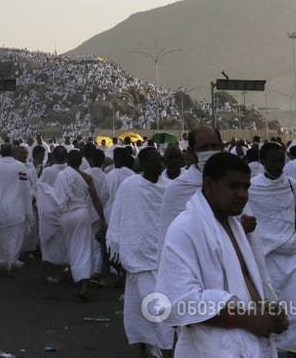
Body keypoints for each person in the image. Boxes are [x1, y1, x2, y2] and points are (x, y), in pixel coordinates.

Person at [157, 152, 287, 358]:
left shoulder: (235, 225)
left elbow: (246, 283)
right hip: (211, 349)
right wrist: (249, 319)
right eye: (234, 186)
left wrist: (269, 311)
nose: (243, 194)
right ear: (208, 184)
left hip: (252, 344)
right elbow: (177, 302)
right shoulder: (185, 227)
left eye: (246, 187)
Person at [245, 142, 296, 356]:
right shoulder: (252, 187)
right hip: (264, 260)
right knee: (270, 311)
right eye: (273, 160)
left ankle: (293, 351)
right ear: (262, 162)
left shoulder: (292, 185)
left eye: (281, 160)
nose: (278, 164)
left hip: (292, 258)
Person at [108, 147, 174, 356]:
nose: (159, 164)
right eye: (154, 161)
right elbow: (118, 216)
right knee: (142, 308)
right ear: (143, 163)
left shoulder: (169, 187)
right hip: (137, 257)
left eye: (160, 160)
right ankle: (146, 345)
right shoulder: (130, 186)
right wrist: (115, 246)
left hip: (163, 257)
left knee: (160, 310)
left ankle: (164, 346)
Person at [157, 125, 223, 254]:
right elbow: (168, 237)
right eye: (203, 148)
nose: (210, 152)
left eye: (214, 147)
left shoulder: (234, 183)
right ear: (192, 152)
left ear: (222, 147)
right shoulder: (177, 189)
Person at [53, 150, 106, 301]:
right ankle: (83, 286)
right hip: (81, 215)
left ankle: (75, 276)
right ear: (80, 162)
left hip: (65, 216)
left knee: (71, 247)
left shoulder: (62, 175)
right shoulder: (87, 178)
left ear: (68, 161)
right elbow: (96, 200)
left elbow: (57, 198)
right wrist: (102, 218)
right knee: (83, 249)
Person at [0, 143, 34, 271]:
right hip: (16, 208)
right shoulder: (20, 167)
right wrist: (28, 208)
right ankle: (10, 260)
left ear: (0, 153)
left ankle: (2, 260)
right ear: (13, 152)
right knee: (13, 237)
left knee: (0, 238)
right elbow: (25, 189)